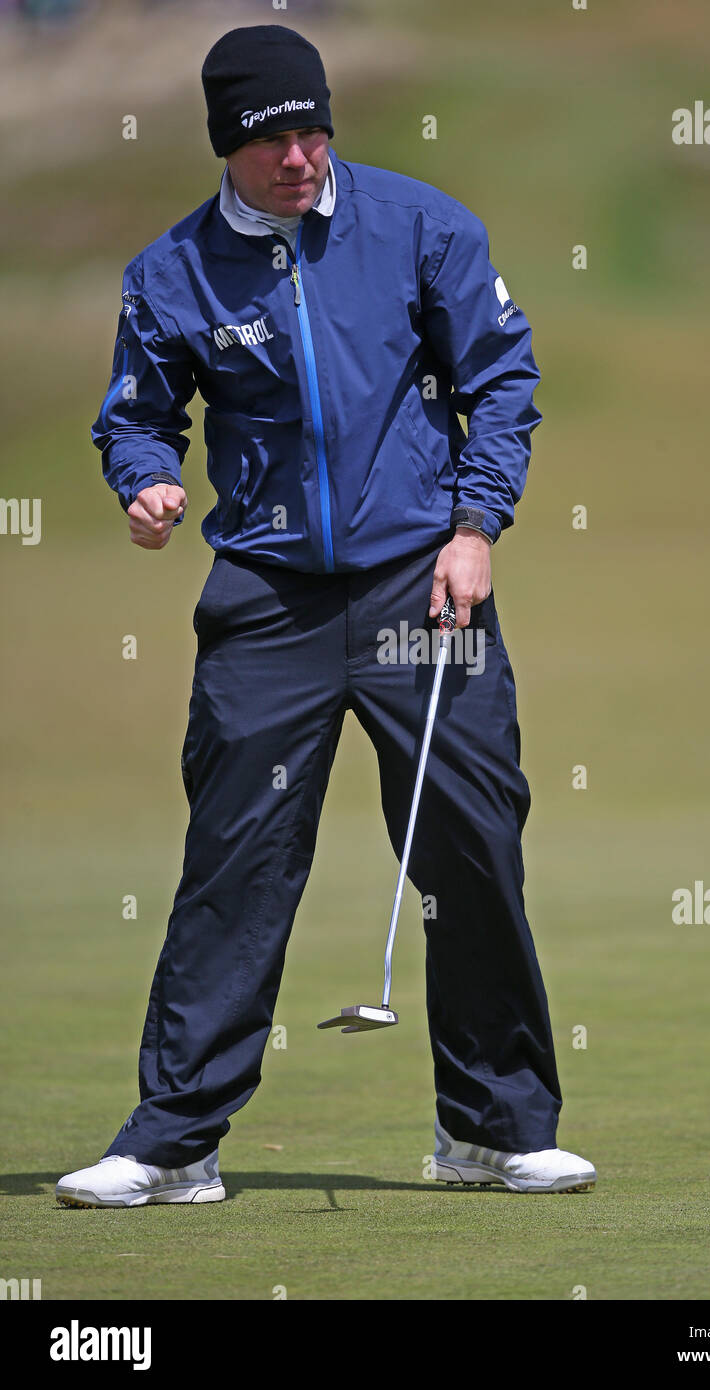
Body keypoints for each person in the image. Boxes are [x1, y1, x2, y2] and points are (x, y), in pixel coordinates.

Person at [56, 24, 596, 1207]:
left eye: (312, 131)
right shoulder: (174, 272)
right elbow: (136, 411)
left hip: (422, 585)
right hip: (267, 602)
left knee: (468, 846)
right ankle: (175, 1143)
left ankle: (493, 1130)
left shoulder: (420, 226)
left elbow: (501, 378)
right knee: (234, 865)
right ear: (227, 148)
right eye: (270, 140)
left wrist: (475, 526)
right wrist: (143, 475)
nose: (298, 157)